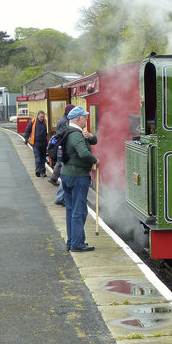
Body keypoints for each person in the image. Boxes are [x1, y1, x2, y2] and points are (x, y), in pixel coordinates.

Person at [61, 106, 98, 252]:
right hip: (77, 176)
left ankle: (71, 241)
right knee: (79, 210)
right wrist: (96, 160)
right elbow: (83, 153)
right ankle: (77, 243)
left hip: (67, 174)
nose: (86, 119)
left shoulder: (69, 131)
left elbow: (93, 141)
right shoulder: (76, 135)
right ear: (78, 119)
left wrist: (91, 137)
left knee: (70, 209)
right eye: (84, 117)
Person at [49, 103, 75, 205]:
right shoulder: (65, 122)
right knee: (64, 172)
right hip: (63, 149)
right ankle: (60, 198)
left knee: (62, 169)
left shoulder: (63, 120)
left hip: (61, 148)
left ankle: (60, 195)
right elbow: (65, 136)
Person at [23, 110, 49, 177]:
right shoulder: (32, 122)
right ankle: (38, 170)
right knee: (38, 157)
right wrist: (26, 139)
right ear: (37, 116)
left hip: (44, 143)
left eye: (43, 117)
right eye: (41, 117)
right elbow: (27, 130)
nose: (42, 118)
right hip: (36, 143)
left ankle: (43, 172)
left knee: (43, 158)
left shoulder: (45, 122)